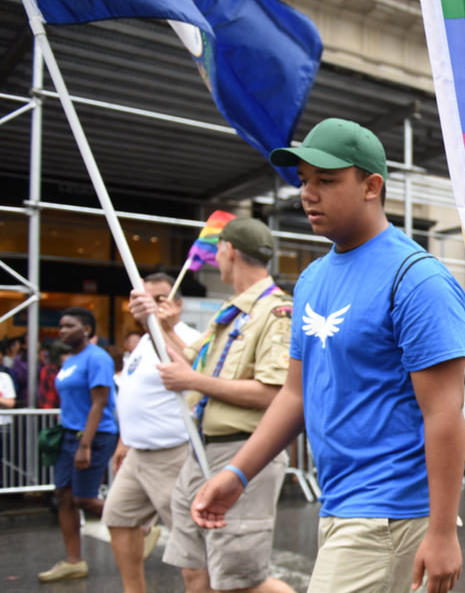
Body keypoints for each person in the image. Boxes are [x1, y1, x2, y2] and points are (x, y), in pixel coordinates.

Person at [189, 118, 465, 593]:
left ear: (371, 186)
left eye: (327, 180)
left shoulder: (417, 278)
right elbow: (295, 395)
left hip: (391, 512)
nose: (308, 194)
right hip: (339, 502)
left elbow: (444, 412)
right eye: (304, 181)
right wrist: (238, 473)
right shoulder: (313, 279)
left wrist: (442, 532)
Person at [130, 216, 294, 593]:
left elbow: (276, 394)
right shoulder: (231, 311)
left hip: (242, 452)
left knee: (242, 580)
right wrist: (156, 326)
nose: (216, 259)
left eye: (218, 251)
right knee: (195, 570)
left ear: (228, 250)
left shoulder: (275, 311)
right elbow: (189, 365)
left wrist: (193, 381)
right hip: (202, 452)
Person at [105, 272, 202, 593]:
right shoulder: (145, 340)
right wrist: (124, 441)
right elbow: (135, 395)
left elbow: (200, 373)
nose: (151, 304)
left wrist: (168, 329)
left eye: (160, 298)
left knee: (191, 540)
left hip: (172, 454)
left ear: (177, 303)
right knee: (118, 517)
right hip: (138, 453)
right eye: (144, 297)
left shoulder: (184, 335)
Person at [39, 307, 119, 582]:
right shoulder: (71, 359)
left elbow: (99, 402)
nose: (61, 331)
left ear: (86, 329)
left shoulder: (98, 358)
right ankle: (74, 561)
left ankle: (138, 525)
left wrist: (85, 444)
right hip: (68, 435)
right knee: (62, 496)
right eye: (60, 326)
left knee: (83, 497)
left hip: (93, 436)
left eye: (69, 326)